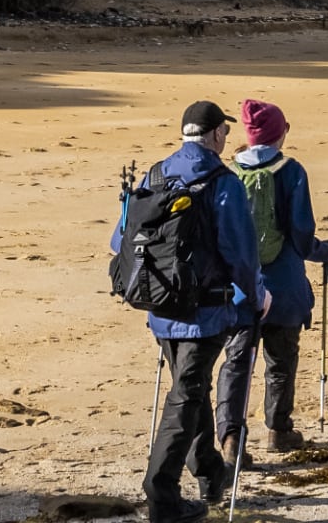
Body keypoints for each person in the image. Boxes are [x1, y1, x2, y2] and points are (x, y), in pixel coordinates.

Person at [113, 100, 264, 523]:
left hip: (158, 307)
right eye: (225, 132)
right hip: (205, 312)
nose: (227, 138)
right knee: (186, 397)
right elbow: (240, 252)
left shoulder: (155, 174)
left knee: (190, 390)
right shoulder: (222, 181)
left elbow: (119, 239)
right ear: (216, 134)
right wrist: (255, 297)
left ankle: (209, 471)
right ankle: (161, 494)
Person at [217, 100, 328, 462]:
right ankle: (278, 429)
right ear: (279, 132)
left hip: (239, 286)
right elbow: (302, 235)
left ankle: (231, 440)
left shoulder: (228, 173)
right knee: (281, 359)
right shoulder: (292, 171)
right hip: (284, 284)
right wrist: (326, 252)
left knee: (237, 361)